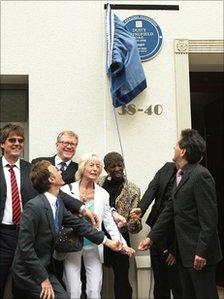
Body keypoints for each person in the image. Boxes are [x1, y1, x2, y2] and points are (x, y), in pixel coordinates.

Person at [11, 160, 122, 299]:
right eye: (56, 170)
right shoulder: (33, 206)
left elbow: (80, 225)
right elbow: (26, 248)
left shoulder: (58, 203)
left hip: (44, 269)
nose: (61, 171)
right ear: (51, 179)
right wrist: (43, 280)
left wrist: (108, 242)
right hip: (27, 272)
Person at [138, 129, 222, 299]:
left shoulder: (200, 175)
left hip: (199, 254)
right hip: (185, 254)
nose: (173, 147)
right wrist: (151, 237)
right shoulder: (181, 175)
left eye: (176, 145)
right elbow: (169, 210)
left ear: (183, 151)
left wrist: (202, 252)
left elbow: (209, 219)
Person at [61, 153, 135, 299]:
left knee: (94, 291)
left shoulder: (103, 194)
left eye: (98, 166)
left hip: (94, 246)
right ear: (82, 168)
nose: (95, 169)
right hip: (72, 246)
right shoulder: (66, 190)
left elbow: (109, 223)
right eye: (91, 165)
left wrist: (123, 244)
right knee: (73, 291)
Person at [130, 162, 183, 299]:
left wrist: (174, 248)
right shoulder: (167, 167)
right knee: (160, 280)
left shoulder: (190, 174)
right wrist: (141, 208)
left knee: (177, 283)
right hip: (156, 232)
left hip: (175, 234)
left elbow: (188, 219)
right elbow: (152, 189)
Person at [0, 123, 38, 299]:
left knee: (22, 288)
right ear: (2, 143)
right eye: (12, 140)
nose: (17, 143)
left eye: (21, 140)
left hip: (25, 237)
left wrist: (81, 208)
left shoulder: (30, 169)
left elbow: (54, 192)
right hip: (2, 236)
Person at [98, 152, 142, 299]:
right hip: (98, 235)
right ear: (106, 169)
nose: (117, 169)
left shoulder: (133, 189)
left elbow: (135, 225)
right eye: (113, 166)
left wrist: (133, 223)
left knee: (122, 277)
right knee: (93, 276)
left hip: (120, 237)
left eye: (120, 165)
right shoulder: (97, 183)